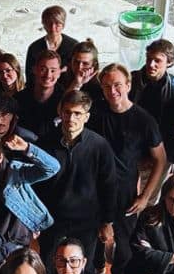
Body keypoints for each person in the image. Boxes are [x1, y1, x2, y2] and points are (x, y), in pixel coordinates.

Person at [90, 63, 168, 274]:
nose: (112, 91)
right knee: (94, 237)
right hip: (96, 189)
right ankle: (94, 271)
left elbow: (160, 160)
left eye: (117, 85)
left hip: (125, 191)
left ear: (128, 85)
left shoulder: (144, 120)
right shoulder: (95, 113)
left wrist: (145, 196)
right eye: (106, 86)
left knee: (124, 243)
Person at [35, 91, 117, 263]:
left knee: (82, 270)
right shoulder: (44, 143)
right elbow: (36, 185)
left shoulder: (99, 146)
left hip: (86, 222)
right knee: (49, 269)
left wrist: (107, 222)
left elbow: (108, 186)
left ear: (86, 117)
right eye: (67, 112)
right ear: (61, 113)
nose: (71, 118)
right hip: (52, 221)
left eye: (77, 113)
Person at [129, 39, 174, 127]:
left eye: (157, 61)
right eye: (149, 59)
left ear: (169, 63)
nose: (151, 64)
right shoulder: (131, 78)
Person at [24, 6, 77, 84]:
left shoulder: (73, 46)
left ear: (63, 24)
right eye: (49, 23)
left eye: (57, 24)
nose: (53, 28)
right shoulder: (34, 48)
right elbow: (30, 78)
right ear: (43, 24)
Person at [15, 50, 63, 134]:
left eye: (53, 70)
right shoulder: (18, 99)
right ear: (34, 70)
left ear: (59, 73)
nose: (48, 75)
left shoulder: (65, 100)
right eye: (43, 69)